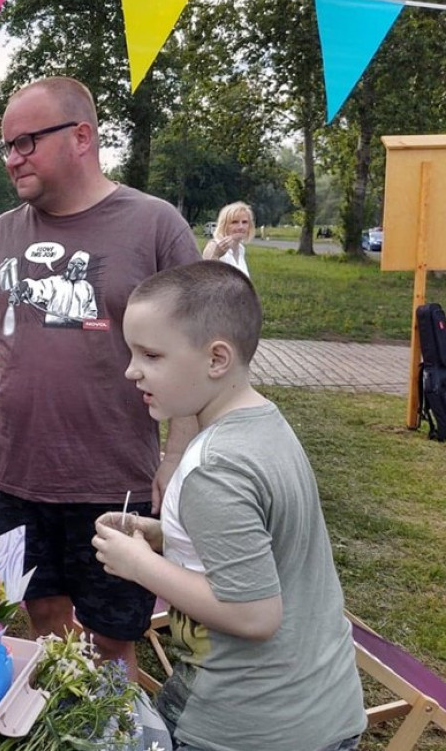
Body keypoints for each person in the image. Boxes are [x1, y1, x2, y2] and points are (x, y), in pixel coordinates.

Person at [0, 76, 201, 678]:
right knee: (42, 622)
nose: (12, 158)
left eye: (27, 141)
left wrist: (177, 455)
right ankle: (63, 728)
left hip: (117, 487)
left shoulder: (155, 227)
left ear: (82, 136)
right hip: (14, 478)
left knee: (113, 643)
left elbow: (195, 349)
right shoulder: (0, 233)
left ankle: (113, 736)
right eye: (6, 145)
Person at [93, 261, 366, 751]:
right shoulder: (263, 425)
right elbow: (266, 540)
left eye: (151, 354)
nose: (130, 370)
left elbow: (253, 616)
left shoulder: (214, 468)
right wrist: (164, 534)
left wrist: (139, 565)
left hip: (248, 728)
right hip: (317, 710)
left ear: (217, 358)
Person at [202, 201, 254, 277]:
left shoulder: (241, 249)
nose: (241, 227)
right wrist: (216, 255)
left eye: (244, 222)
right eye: (234, 222)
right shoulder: (214, 246)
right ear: (224, 225)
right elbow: (205, 278)